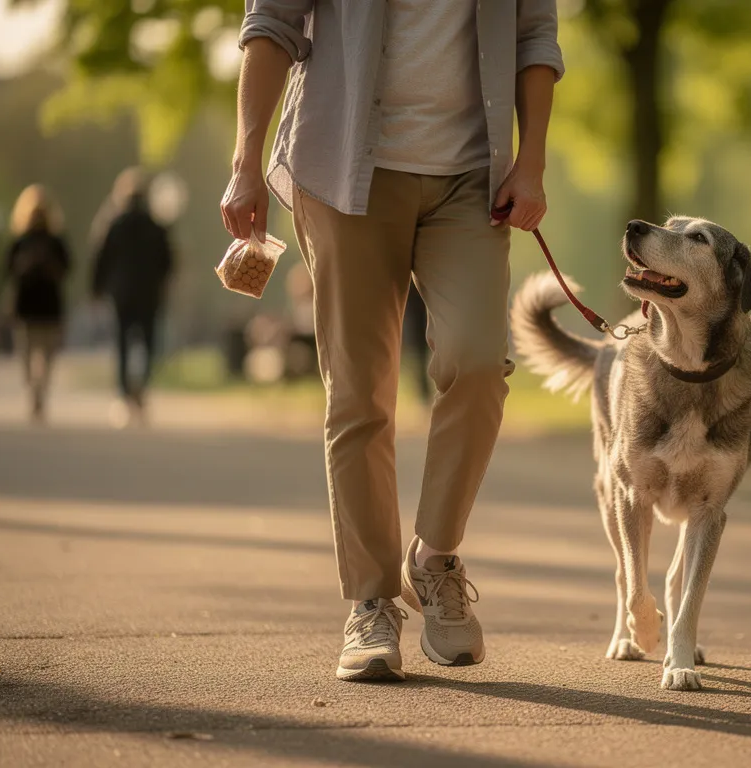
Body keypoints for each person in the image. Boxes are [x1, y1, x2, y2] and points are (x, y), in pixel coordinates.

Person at [223, 2, 562, 682]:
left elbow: (535, 36)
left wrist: (532, 161)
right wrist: (245, 161)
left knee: (476, 362)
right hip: (344, 168)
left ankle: (434, 557)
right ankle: (371, 602)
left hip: (472, 176)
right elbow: (271, 26)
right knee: (359, 392)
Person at [92, 168, 175, 425]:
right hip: (149, 294)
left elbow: (101, 260)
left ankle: (123, 395)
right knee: (147, 344)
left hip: (122, 294)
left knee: (122, 344)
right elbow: (168, 262)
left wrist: (96, 289)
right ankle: (142, 389)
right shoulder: (157, 226)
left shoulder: (114, 225)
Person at [4, 184, 71, 423]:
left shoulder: (49, 241)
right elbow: (9, 269)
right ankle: (37, 390)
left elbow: (66, 268)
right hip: (38, 305)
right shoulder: (24, 241)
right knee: (37, 353)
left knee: (35, 353)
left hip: (35, 306)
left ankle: (37, 391)